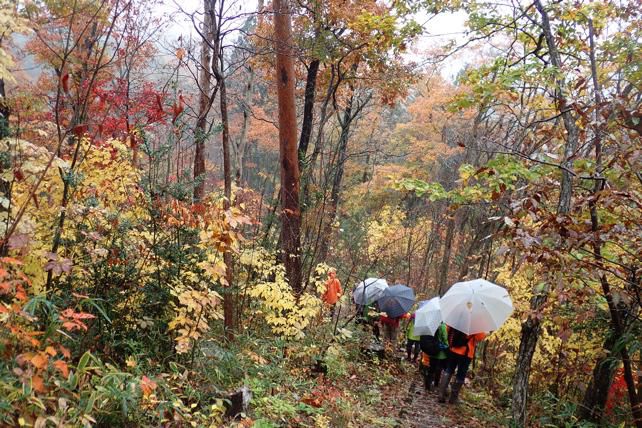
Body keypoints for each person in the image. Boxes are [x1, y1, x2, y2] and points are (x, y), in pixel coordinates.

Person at [437, 326, 486, 404]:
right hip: (466, 353)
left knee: (448, 370)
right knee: (460, 375)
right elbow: (480, 337)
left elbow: (447, 329)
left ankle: (441, 394)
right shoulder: (475, 323)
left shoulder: (458, 317)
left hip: (453, 349)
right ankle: (453, 398)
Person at [423, 322, 448, 391]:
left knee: (431, 368)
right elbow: (445, 339)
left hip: (432, 349)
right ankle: (436, 384)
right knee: (438, 369)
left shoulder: (431, 324)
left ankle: (427, 385)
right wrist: (447, 346)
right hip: (440, 352)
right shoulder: (443, 326)